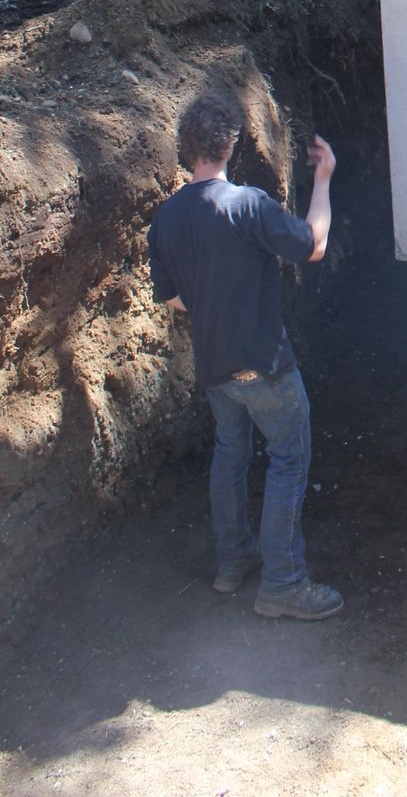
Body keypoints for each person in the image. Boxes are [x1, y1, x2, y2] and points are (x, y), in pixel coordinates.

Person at [148, 91, 342, 620]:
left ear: (186, 150)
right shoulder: (246, 205)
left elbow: (173, 299)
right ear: (231, 143)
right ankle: (283, 582)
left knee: (230, 455)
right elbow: (313, 244)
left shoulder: (164, 221)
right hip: (263, 366)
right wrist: (322, 180)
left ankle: (233, 564)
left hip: (215, 369)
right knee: (288, 457)